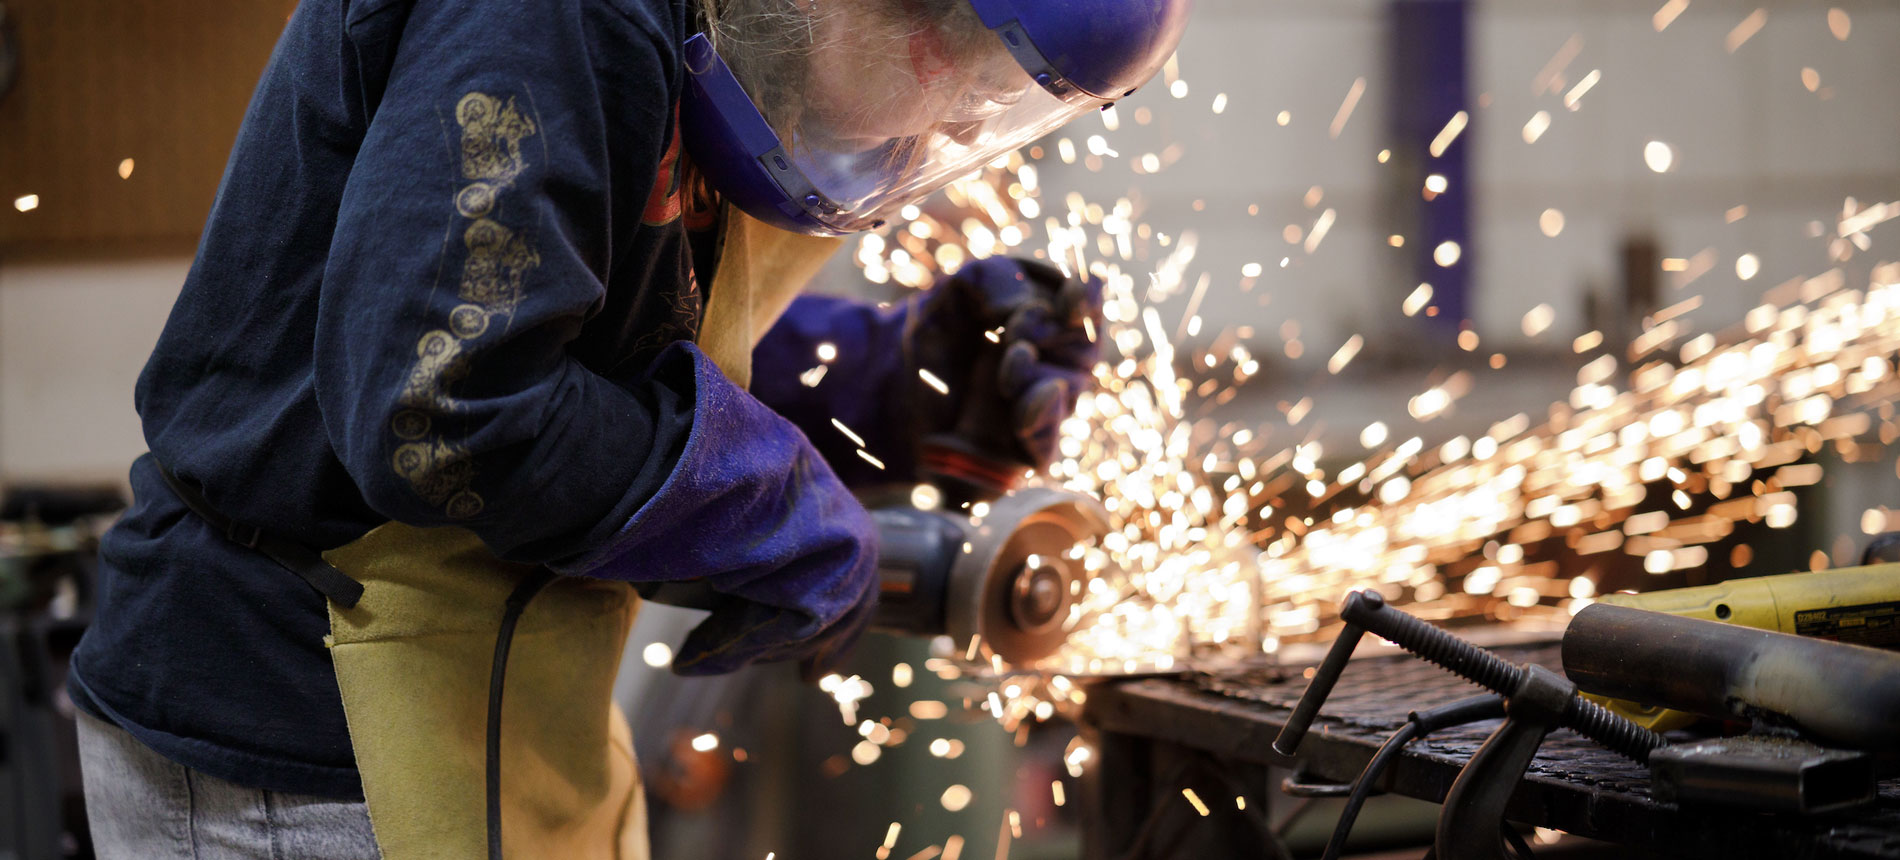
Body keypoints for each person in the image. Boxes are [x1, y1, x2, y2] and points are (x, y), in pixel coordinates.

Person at [65, 0, 1190, 857]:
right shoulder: (552, 15)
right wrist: (766, 503)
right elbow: (445, 407)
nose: (947, 116)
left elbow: (589, 311)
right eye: (958, 64)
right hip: (299, 728)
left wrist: (888, 381)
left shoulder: (702, 31)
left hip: (464, 703)